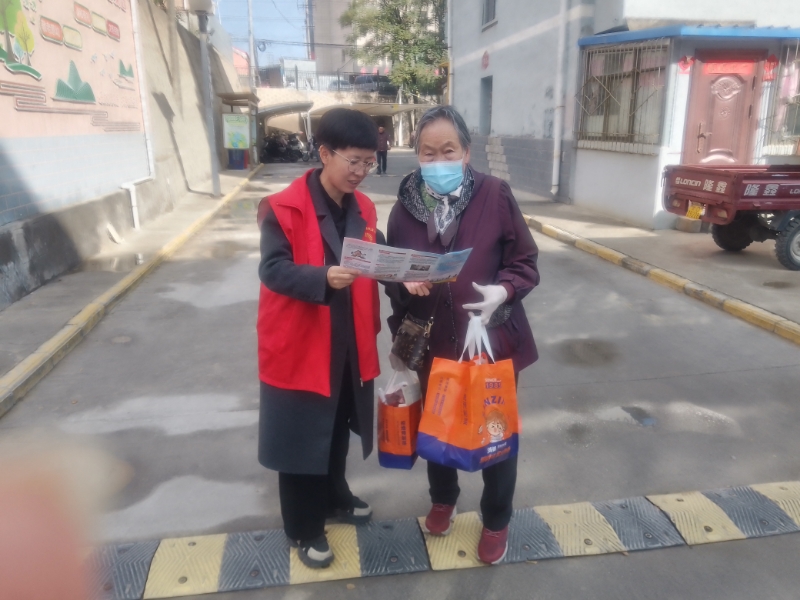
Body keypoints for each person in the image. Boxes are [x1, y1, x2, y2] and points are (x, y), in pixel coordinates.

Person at [385, 105, 540, 565]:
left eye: (448, 151)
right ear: (417, 155)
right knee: (438, 427)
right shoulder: (403, 207)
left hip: (491, 343)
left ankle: (496, 519)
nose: (439, 161)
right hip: (432, 345)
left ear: (467, 152)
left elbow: (525, 261)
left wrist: (503, 290)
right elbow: (393, 276)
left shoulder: (494, 195)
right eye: (428, 153)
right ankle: (443, 499)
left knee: (495, 434)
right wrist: (401, 287)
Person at [257, 108, 382, 569]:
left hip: (348, 341)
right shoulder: (282, 207)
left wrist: (407, 275)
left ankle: (335, 496)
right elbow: (272, 270)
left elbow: (376, 257)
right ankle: (303, 527)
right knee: (300, 438)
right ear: (325, 153)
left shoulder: (363, 208)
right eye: (353, 160)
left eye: (369, 162)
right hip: (301, 342)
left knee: (336, 428)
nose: (361, 171)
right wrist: (322, 277)